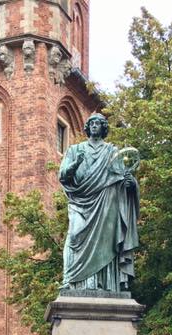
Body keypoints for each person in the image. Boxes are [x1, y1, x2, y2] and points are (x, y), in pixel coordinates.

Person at [59, 112, 139, 292]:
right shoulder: (75, 150)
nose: (95, 125)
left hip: (107, 201)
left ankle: (104, 284)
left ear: (103, 128)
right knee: (74, 235)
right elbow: (63, 176)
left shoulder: (112, 152)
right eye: (92, 123)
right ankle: (71, 280)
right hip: (80, 201)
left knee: (106, 242)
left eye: (98, 123)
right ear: (88, 127)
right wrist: (75, 164)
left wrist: (130, 184)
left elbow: (122, 178)